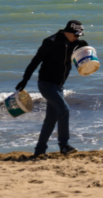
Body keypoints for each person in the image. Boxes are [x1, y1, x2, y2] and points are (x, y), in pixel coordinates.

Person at [17, 20, 89, 158]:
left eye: (79, 35)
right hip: (46, 84)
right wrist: (25, 80)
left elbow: (82, 53)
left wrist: (84, 46)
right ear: (67, 31)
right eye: (76, 35)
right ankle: (64, 145)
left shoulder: (73, 42)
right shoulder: (51, 42)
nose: (77, 37)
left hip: (59, 86)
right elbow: (35, 61)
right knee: (64, 110)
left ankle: (39, 151)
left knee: (51, 120)